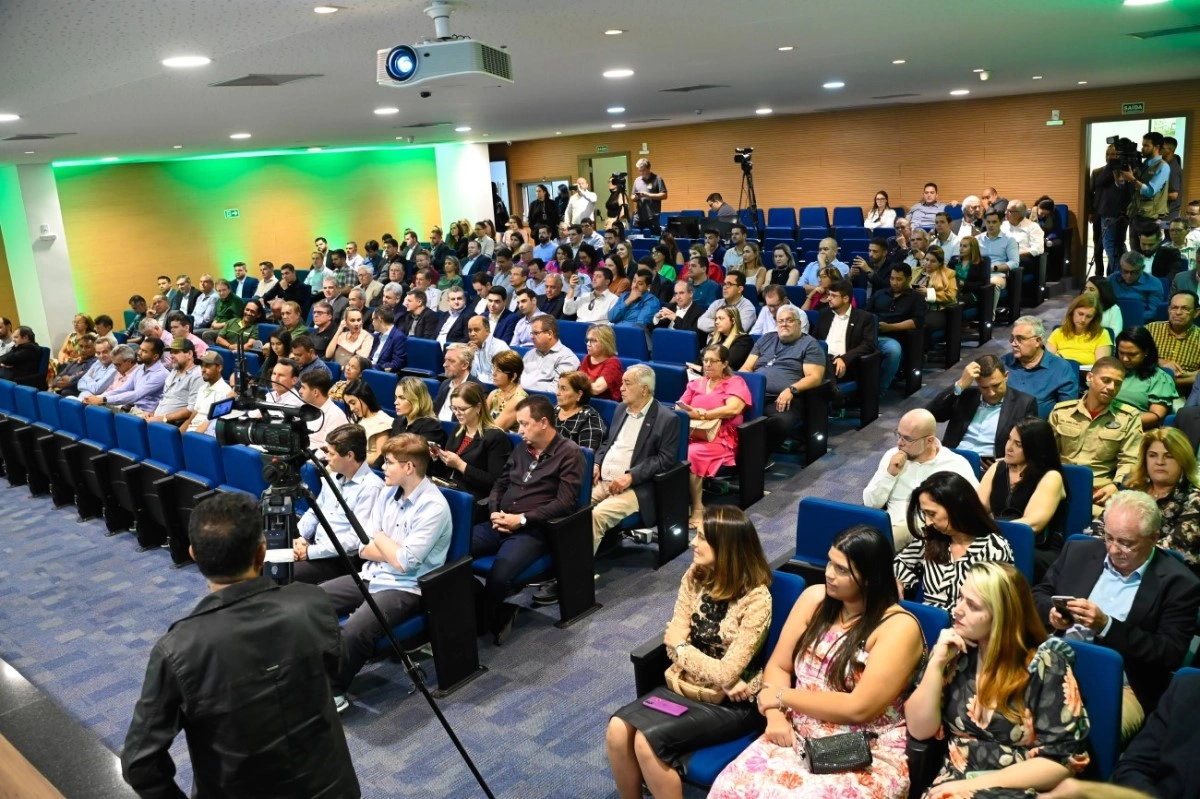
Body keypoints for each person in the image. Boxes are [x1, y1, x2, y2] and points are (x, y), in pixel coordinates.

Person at [120, 493, 358, 798]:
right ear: (261, 553)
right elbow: (334, 671)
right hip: (332, 788)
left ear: (194, 554)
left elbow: (141, 763)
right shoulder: (313, 603)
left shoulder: (178, 648)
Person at [709, 526, 925, 799]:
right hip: (797, 729)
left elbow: (857, 709)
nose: (829, 574)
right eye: (830, 562)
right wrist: (775, 717)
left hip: (861, 746)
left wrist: (779, 696)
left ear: (871, 578)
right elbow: (779, 667)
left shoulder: (898, 628)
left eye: (842, 570)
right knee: (729, 788)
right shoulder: (815, 599)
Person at [607, 506, 772, 799]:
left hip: (731, 705)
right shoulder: (695, 576)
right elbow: (671, 642)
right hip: (687, 685)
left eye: (703, 538)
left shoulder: (757, 599)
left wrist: (688, 651)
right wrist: (718, 672)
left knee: (647, 743)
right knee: (617, 730)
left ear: (727, 547)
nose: (694, 543)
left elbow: (687, 648)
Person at [904, 562, 1091, 798]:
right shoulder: (955, 650)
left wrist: (971, 785)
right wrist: (936, 664)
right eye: (961, 598)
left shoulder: (1045, 664)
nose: (957, 610)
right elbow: (920, 731)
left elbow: (1059, 762)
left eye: (972, 605)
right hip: (954, 781)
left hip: (1021, 787)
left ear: (1002, 615)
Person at [1033, 491, 1200, 729]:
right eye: (1109, 537)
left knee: (1083, 731)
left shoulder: (1180, 583)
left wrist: (1106, 626)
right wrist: (1052, 613)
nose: (1113, 549)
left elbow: (1169, 652)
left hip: (1126, 684)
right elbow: (1038, 594)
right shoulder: (1078, 552)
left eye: (1126, 543)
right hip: (1055, 661)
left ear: (1154, 538)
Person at [320, 433, 452, 713]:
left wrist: (379, 538)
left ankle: (334, 692)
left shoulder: (434, 506)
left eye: (389, 462)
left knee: (354, 629)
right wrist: (385, 544)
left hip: (406, 587)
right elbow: (363, 546)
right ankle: (312, 668)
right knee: (312, 601)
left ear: (408, 467)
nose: (383, 467)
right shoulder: (387, 493)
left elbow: (406, 563)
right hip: (372, 574)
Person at [472, 395, 585, 644]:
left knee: (499, 575)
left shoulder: (569, 453)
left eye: (524, 424)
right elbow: (500, 484)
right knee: (451, 553)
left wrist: (521, 520)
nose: (519, 430)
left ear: (544, 422)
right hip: (499, 521)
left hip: (532, 531)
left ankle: (483, 621)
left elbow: (565, 503)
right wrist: (493, 510)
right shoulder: (522, 447)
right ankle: (482, 608)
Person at [893, 471, 1015, 610]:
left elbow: (996, 607)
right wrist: (899, 580)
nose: (927, 522)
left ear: (956, 508)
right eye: (924, 513)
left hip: (968, 626)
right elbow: (901, 562)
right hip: (928, 624)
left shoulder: (994, 548)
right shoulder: (931, 538)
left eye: (932, 514)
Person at [591, 365, 680, 553]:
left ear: (644, 389)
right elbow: (607, 442)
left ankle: (577, 575)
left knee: (597, 515)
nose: (621, 388)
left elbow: (665, 460)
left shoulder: (667, 419)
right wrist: (597, 463)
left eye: (627, 383)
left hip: (636, 487)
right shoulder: (621, 409)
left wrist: (631, 476)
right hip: (602, 481)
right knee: (572, 506)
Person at [863, 408, 980, 548]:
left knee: (873, 549)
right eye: (898, 435)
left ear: (929, 441)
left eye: (907, 439)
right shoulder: (892, 456)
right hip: (891, 529)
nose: (899, 443)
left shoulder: (955, 464)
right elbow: (871, 504)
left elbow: (975, 508)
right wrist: (890, 474)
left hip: (934, 532)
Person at [1093, 427, 1200, 572]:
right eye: (1152, 455)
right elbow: (1098, 527)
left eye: (1169, 456)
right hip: (1116, 563)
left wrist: (1117, 549)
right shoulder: (1134, 487)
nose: (1160, 462)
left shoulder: (1195, 499)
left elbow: (1173, 550)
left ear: (1183, 460)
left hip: (1167, 575)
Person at [292, 425, 386, 585]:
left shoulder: (371, 488)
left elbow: (355, 540)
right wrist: (300, 538)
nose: (325, 457)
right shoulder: (334, 477)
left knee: (282, 573)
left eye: (331, 453)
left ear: (349, 455)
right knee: (264, 559)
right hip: (315, 547)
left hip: (341, 559)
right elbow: (315, 512)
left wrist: (309, 552)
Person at [979, 417, 1069, 580]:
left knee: (986, 556)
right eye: (1009, 439)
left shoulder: (1050, 477)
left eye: (1018, 444)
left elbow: (1033, 524)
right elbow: (976, 509)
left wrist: (989, 532)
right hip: (998, 539)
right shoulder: (996, 468)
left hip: (1038, 548)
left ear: (1035, 448)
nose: (1009, 447)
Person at [1050, 356, 1143, 510]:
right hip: (1059, 485)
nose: (1112, 387)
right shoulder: (1062, 412)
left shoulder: (1128, 417)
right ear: (1090, 377)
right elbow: (1047, 454)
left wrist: (1116, 485)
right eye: (1106, 380)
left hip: (1099, 492)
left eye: (1118, 383)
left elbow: (1130, 460)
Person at [677, 344, 751, 529]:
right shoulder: (695, 383)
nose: (708, 364)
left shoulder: (735, 382)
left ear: (724, 363)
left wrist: (703, 414)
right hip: (693, 433)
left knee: (690, 454)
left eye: (713, 361)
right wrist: (691, 412)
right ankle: (676, 503)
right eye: (705, 360)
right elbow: (679, 406)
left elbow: (733, 408)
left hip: (721, 437)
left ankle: (698, 507)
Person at [927, 355, 1039, 467]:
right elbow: (933, 414)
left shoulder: (1024, 403)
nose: (991, 393)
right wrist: (960, 384)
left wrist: (1002, 462)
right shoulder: (966, 395)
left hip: (988, 465)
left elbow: (1029, 447)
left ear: (1006, 376)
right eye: (984, 387)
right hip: (953, 458)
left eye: (996, 385)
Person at [740, 306, 825, 446]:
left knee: (779, 423)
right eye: (781, 321)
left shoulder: (810, 344)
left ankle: (757, 459)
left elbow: (814, 377)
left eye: (789, 320)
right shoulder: (766, 339)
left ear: (799, 323)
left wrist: (791, 389)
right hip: (755, 395)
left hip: (785, 398)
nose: (784, 324)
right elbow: (747, 367)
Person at [430, 381, 514, 498]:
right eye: (453, 408)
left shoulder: (496, 437)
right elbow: (447, 470)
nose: (457, 413)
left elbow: (496, 482)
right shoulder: (459, 429)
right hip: (449, 488)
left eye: (462, 409)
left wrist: (460, 465)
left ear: (478, 407)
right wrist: (438, 458)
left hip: (472, 496)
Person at [1002, 316, 1080, 418]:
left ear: (1038, 341)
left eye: (1020, 339)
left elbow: (1067, 412)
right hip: (1004, 426)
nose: (1013, 344)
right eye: (1012, 338)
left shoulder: (1060, 368)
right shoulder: (1003, 362)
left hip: (1040, 430)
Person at [869, 263, 925, 396]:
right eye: (892, 278)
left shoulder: (916, 298)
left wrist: (891, 327)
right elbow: (867, 314)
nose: (894, 282)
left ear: (909, 279)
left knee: (893, 351)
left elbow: (916, 322)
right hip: (872, 334)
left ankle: (877, 392)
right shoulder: (880, 294)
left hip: (896, 337)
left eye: (899, 279)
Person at [1113, 326, 1179, 430]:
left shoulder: (1159, 378)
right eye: (1121, 353)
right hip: (1102, 421)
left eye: (1132, 354)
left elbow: (1156, 416)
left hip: (1134, 428)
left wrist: (1120, 421)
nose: (1125, 359)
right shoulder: (1111, 369)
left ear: (1146, 352)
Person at [813, 278, 877, 384]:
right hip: (821, 359)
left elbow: (868, 345)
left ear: (846, 298)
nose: (828, 298)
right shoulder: (824, 314)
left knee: (817, 375)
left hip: (843, 362)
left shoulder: (864, 317)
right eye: (829, 294)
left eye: (833, 296)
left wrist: (845, 358)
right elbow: (814, 339)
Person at [1147, 289, 1200, 393]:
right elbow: (1133, 357)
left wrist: (1174, 381)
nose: (1178, 313)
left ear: (1196, 312)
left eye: (1185, 309)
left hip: (1180, 392)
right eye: (1174, 308)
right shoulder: (1151, 329)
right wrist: (1159, 361)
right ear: (1168, 310)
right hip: (1146, 385)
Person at [385, 376, 446, 459]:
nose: (396, 402)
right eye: (396, 397)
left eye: (402, 398)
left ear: (416, 400)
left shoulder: (431, 427)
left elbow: (419, 461)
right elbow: (386, 453)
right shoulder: (397, 422)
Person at [1047, 294, 1113, 367]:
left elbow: (1101, 367)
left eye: (1088, 316)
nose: (1083, 320)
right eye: (1080, 314)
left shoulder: (1102, 334)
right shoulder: (1058, 332)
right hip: (1060, 373)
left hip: (1087, 376)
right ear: (1072, 312)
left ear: (1094, 318)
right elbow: (1047, 361)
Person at [521, 314, 580, 392]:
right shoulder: (529, 354)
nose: (531, 337)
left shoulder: (567, 358)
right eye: (532, 333)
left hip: (542, 402)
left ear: (549, 334)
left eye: (536, 333)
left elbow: (556, 390)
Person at [342, 379, 392, 466]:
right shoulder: (355, 418)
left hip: (366, 468)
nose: (351, 408)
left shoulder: (383, 422)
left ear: (365, 397)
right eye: (348, 404)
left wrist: (353, 461)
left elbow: (379, 457)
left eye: (353, 403)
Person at [554, 371, 606, 450]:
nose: (558, 393)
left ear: (579, 394)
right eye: (558, 387)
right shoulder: (553, 410)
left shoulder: (589, 418)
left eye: (563, 389)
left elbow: (586, 454)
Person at [185, 351, 233, 435]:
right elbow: (193, 415)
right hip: (191, 431)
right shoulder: (202, 388)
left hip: (204, 436)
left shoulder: (225, 392)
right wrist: (179, 433)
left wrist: (191, 438)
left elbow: (213, 425)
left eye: (207, 366)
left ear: (219, 368)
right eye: (202, 366)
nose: (203, 369)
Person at [1110, 252, 1165, 321]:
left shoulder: (1154, 284)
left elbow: (1153, 312)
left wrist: (1130, 317)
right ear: (1120, 267)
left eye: (1134, 272)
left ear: (1142, 268)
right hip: (1113, 320)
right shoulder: (1111, 280)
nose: (1128, 276)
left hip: (1141, 322)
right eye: (1125, 271)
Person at [578, 323, 624, 401]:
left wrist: (575, 387)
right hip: (587, 402)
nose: (588, 344)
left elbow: (597, 388)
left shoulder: (613, 362)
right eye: (588, 340)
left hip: (605, 406)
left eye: (593, 341)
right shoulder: (587, 358)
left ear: (605, 343)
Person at [702, 306, 753, 372]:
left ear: (733, 321)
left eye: (721, 318)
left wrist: (700, 369)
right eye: (716, 319)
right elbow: (701, 359)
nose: (716, 322)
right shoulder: (715, 339)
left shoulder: (744, 340)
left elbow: (727, 365)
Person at [488, 349, 528, 431]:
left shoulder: (518, 399)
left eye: (498, 370)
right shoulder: (494, 394)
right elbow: (478, 419)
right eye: (494, 369)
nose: (494, 374)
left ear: (513, 376)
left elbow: (495, 429)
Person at [632, 158, 668, 232]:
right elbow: (632, 196)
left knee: (653, 240)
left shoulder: (657, 179)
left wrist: (648, 195)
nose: (642, 173)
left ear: (649, 168)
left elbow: (664, 195)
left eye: (643, 170)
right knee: (637, 240)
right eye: (640, 171)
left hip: (652, 217)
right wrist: (636, 197)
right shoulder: (637, 180)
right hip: (639, 217)